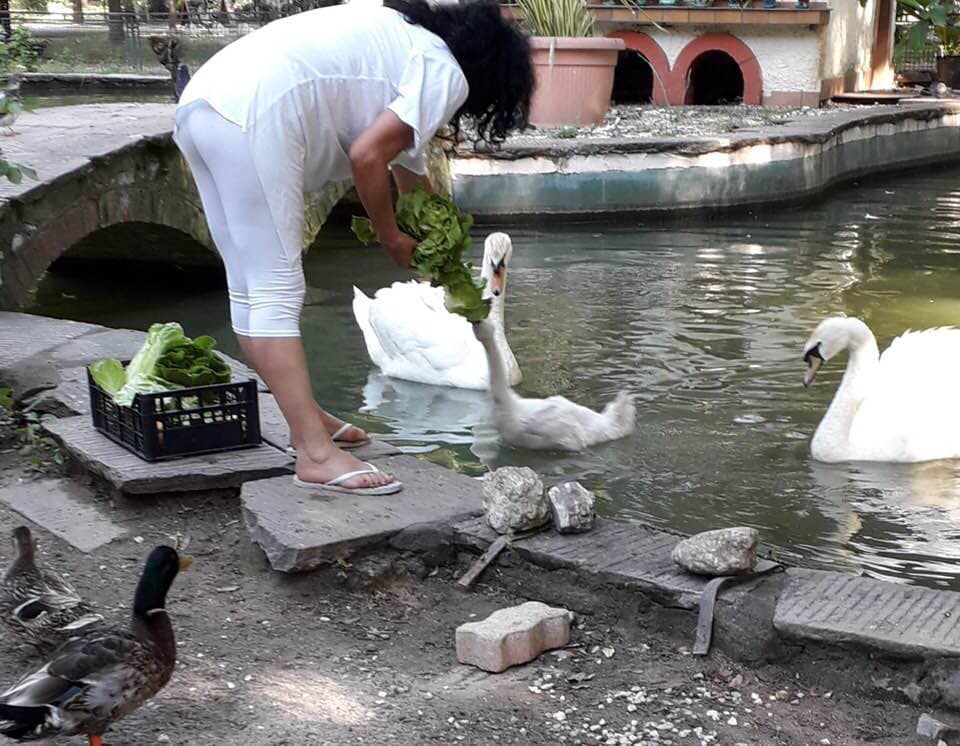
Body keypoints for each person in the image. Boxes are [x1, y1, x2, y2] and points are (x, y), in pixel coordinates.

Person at [173, 0, 534, 495]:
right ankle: (315, 454)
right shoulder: (446, 72)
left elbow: (409, 175)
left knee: (249, 285)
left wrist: (437, 245)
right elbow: (368, 156)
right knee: (276, 289)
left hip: (203, 104)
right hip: (255, 112)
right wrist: (390, 237)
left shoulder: (406, 44)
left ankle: (310, 420)